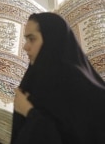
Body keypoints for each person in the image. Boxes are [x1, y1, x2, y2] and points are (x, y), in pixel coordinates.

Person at [10, 12, 105, 144]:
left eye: (32, 39)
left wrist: (28, 111)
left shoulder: (80, 86)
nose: (25, 47)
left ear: (52, 39)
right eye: (26, 39)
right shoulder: (34, 80)